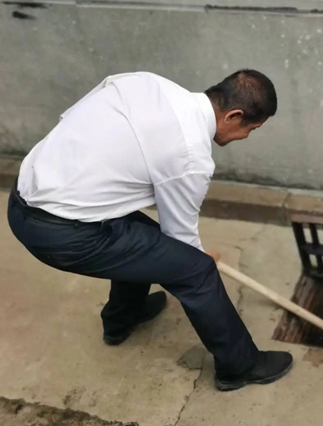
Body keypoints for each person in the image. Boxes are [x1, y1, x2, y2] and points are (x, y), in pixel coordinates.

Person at [7, 69, 293, 392]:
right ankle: (240, 367)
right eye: (250, 129)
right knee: (197, 272)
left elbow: (72, 119)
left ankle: (122, 319)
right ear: (234, 116)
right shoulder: (191, 155)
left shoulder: (145, 83)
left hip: (25, 195)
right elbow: (179, 239)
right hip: (60, 232)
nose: (246, 137)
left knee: (142, 244)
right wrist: (199, 256)